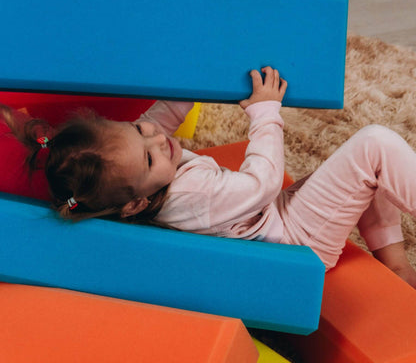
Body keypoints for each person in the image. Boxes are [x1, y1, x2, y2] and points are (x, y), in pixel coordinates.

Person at [1, 66, 416, 288]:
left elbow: (161, 117)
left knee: (359, 170)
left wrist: (198, 71)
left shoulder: (144, 169)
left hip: (278, 219)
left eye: (138, 131)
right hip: (295, 239)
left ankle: (394, 263)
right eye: (148, 159)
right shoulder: (188, 194)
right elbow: (263, 182)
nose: (157, 140)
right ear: (135, 204)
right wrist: (264, 112)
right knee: (373, 144)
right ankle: (395, 260)